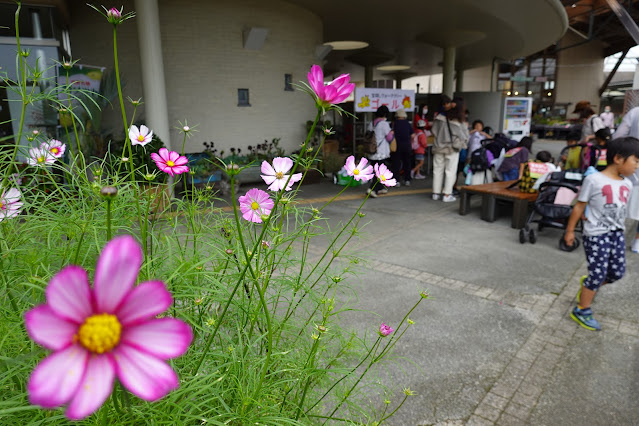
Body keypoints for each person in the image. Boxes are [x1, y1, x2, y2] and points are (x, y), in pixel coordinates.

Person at [563, 137, 639, 330]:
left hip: (616, 234)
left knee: (616, 273)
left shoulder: (628, 184)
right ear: (619, 159)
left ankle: (588, 284)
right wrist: (570, 231)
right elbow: (580, 206)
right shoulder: (594, 180)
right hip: (596, 234)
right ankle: (582, 309)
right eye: (636, 161)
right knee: (597, 275)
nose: (637, 166)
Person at [612, 106, 639, 252]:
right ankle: (637, 242)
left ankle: (616, 237)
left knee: (620, 205)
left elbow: (618, 137)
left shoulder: (635, 112)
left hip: (631, 168)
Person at [431, 97, 469, 202]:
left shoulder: (439, 117)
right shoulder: (459, 120)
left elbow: (434, 131)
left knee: (437, 170)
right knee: (450, 171)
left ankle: (436, 193)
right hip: (452, 149)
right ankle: (447, 194)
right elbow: (464, 135)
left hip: (438, 147)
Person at [366, 105, 394, 198]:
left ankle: (380, 188)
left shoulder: (372, 123)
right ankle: (372, 189)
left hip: (372, 151)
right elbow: (389, 138)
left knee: (376, 170)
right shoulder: (384, 124)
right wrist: (392, 133)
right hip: (380, 152)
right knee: (379, 172)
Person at [392, 108, 414, 186]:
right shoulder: (408, 124)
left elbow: (391, 134)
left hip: (397, 146)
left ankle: (396, 181)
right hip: (407, 146)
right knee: (407, 163)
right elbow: (413, 135)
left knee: (396, 163)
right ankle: (407, 179)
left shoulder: (394, 124)